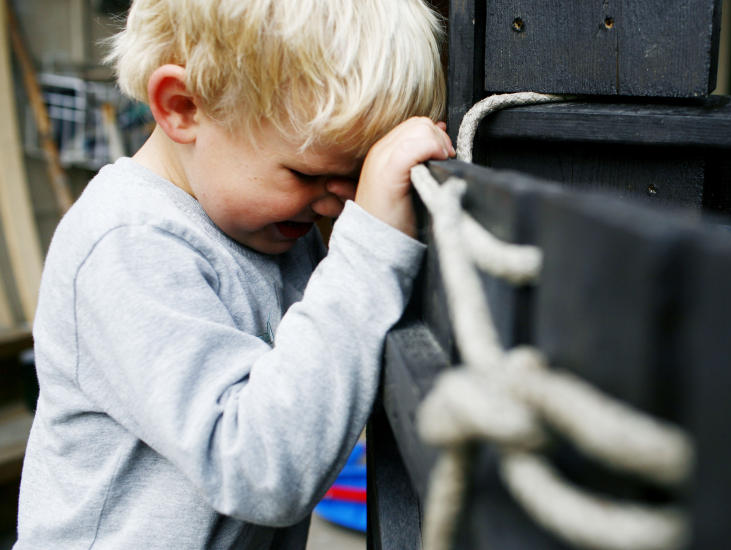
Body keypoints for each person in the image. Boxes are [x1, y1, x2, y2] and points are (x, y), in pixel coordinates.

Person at [14, 0, 453, 548]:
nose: (337, 205)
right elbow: (263, 469)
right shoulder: (128, 244)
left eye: (355, 175)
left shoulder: (268, 226)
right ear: (183, 108)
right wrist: (372, 247)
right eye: (309, 173)